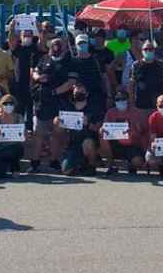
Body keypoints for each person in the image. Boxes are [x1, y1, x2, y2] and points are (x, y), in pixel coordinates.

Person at [29, 37, 74, 173]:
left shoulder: (69, 61)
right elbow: (35, 71)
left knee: (57, 133)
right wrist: (37, 77)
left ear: (65, 47)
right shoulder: (43, 59)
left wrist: (55, 92)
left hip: (59, 102)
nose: (56, 47)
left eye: (59, 45)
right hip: (41, 102)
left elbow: (71, 82)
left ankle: (54, 161)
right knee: (39, 134)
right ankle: (35, 163)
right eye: (54, 44)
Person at [55, 84, 102, 175]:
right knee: (66, 171)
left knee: (88, 143)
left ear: (87, 94)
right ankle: (78, 164)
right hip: (73, 144)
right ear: (73, 92)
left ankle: (91, 165)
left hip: (89, 142)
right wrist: (57, 122)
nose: (78, 93)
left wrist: (88, 123)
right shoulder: (68, 107)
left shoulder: (93, 108)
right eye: (76, 91)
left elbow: (98, 128)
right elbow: (59, 131)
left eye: (82, 91)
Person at [99, 89, 149, 175]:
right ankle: (110, 165)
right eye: (117, 99)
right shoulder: (110, 112)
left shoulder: (136, 112)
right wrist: (102, 129)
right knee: (101, 133)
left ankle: (131, 165)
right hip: (115, 142)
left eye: (123, 99)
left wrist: (136, 128)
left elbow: (143, 131)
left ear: (128, 99)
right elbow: (105, 127)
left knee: (138, 162)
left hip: (132, 144)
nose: (120, 101)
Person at [9, 28, 44, 129]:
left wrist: (38, 26)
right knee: (19, 109)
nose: (27, 37)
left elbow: (42, 40)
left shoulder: (36, 47)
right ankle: (18, 131)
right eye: (25, 35)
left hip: (34, 84)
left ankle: (30, 130)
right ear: (20, 37)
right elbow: (11, 41)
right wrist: (12, 28)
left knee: (31, 110)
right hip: (20, 84)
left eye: (29, 35)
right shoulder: (18, 48)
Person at [0, 94, 28, 178]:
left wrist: (24, 134)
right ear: (1, 105)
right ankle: (1, 167)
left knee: (15, 148)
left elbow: (23, 136)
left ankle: (15, 168)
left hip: (15, 146)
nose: (8, 105)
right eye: (5, 103)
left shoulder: (19, 117)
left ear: (14, 105)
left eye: (11, 103)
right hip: (0, 146)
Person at [70, 33, 110, 114]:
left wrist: (109, 95)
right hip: (79, 98)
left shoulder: (96, 59)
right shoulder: (72, 61)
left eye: (84, 43)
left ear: (88, 44)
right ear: (75, 44)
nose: (82, 45)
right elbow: (70, 81)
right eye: (79, 43)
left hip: (96, 97)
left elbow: (105, 77)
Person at [130, 40, 163, 115]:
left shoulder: (161, 64)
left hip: (158, 105)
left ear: (154, 50)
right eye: (145, 49)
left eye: (151, 49)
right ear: (142, 51)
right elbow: (131, 85)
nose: (148, 51)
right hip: (141, 104)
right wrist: (131, 102)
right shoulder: (136, 65)